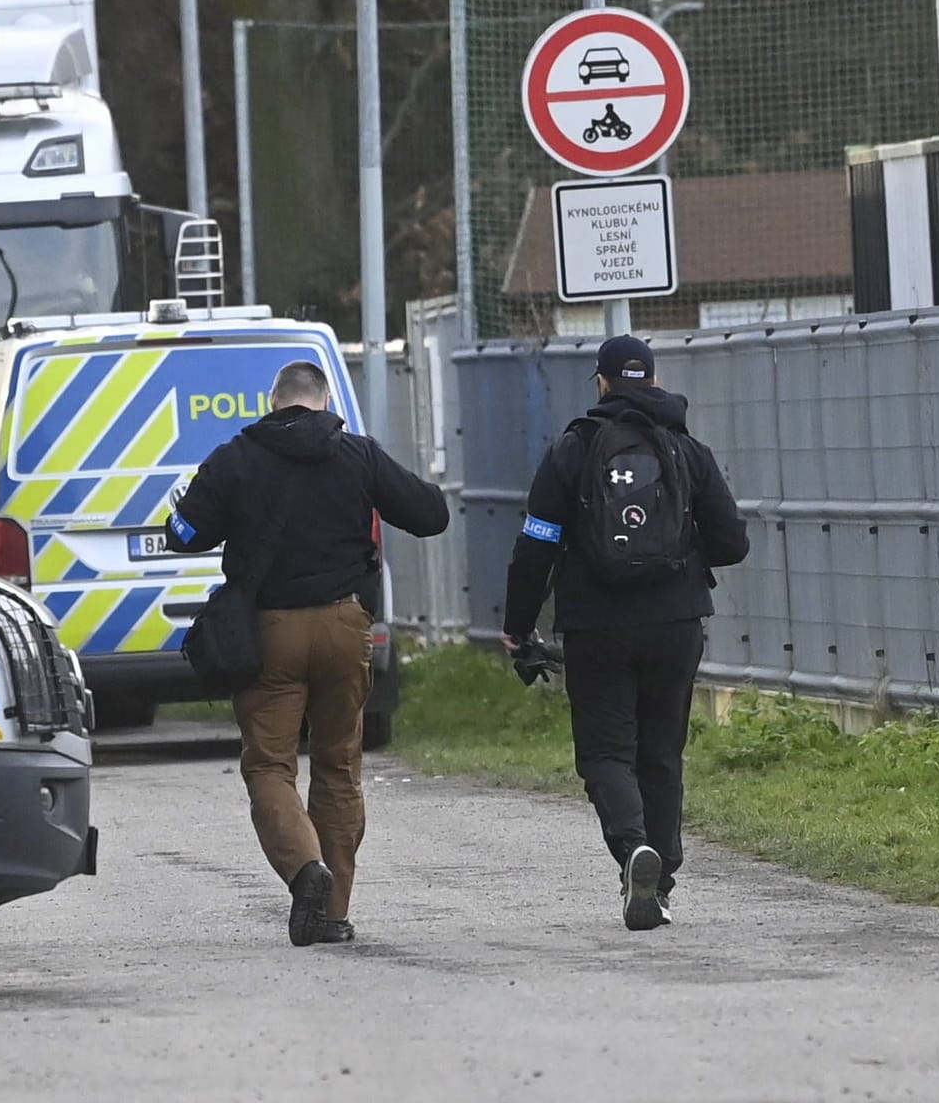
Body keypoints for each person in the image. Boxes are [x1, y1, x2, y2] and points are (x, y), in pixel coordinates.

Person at [166, 360, 449, 946]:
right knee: (338, 765)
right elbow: (431, 514)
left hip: (269, 633)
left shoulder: (237, 457)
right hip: (346, 626)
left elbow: (184, 535)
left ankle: (304, 869)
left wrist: (182, 503)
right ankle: (331, 912)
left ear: (275, 402)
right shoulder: (357, 454)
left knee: (270, 765)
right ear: (323, 400)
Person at [503, 334, 749, 931]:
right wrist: (680, 550)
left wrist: (517, 627)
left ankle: (632, 846)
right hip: (676, 621)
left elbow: (536, 543)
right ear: (655, 379)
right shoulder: (687, 449)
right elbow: (734, 543)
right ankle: (658, 879)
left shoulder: (574, 448)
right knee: (662, 754)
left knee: (606, 753)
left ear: (602, 382)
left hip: (596, 625)